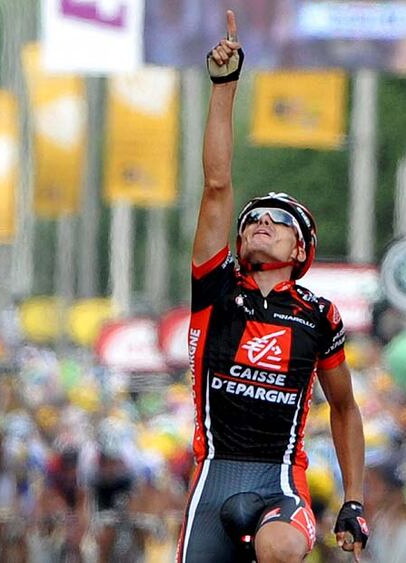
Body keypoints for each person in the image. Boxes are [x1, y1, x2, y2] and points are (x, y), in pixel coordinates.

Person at [177, 10, 368, 563]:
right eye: (254, 217)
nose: (261, 221)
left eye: (279, 221)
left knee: (280, 547)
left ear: (302, 250)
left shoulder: (319, 315)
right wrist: (224, 87)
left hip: (279, 484)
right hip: (212, 479)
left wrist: (353, 501)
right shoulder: (216, 290)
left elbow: (346, 407)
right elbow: (216, 186)